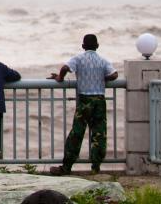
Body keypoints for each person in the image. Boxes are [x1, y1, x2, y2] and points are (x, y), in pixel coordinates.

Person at [48, 34, 118, 175]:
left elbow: (65, 67)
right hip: (99, 100)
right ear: (97, 46)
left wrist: (60, 78)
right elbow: (115, 74)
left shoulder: (78, 58)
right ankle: (96, 167)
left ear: (83, 46)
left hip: (84, 100)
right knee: (99, 134)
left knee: (77, 134)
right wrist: (103, 78)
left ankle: (67, 167)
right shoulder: (102, 60)